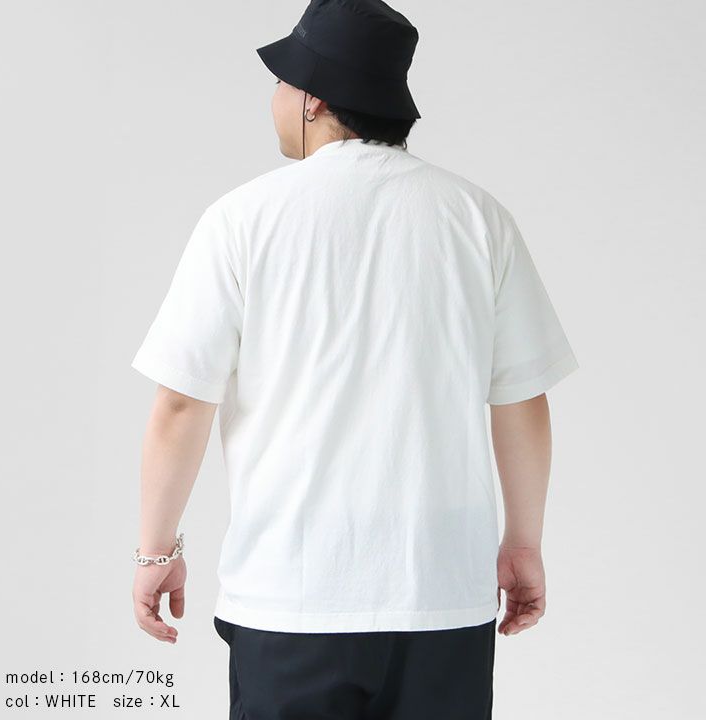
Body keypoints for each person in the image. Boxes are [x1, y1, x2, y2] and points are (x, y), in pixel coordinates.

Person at [130, 1, 579, 718]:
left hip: (291, 598)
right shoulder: (476, 218)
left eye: (282, 81)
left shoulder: (242, 220)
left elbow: (182, 402)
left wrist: (156, 552)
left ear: (313, 98)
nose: (275, 98)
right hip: (443, 598)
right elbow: (523, 400)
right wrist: (522, 544)